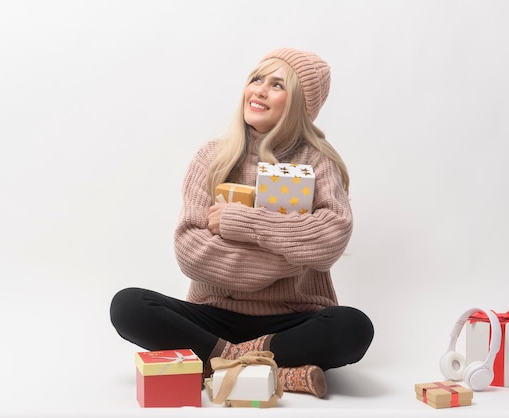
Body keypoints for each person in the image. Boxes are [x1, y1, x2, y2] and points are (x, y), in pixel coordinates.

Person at [110, 47, 374, 399]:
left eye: (277, 85)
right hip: (213, 316)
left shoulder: (317, 163)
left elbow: (330, 237)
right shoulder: (212, 157)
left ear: (299, 105)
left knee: (354, 328)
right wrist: (293, 252)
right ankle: (271, 368)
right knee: (128, 305)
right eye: (256, 79)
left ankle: (216, 363)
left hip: (290, 318)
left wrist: (241, 222)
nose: (259, 90)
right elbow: (191, 252)